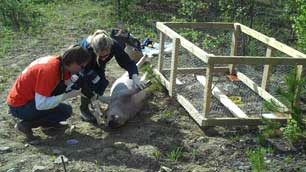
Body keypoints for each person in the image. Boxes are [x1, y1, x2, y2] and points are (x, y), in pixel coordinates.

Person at [7, 45, 91, 140]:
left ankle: (47, 125)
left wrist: (80, 87)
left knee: (66, 110)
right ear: (73, 62)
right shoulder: (50, 71)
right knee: (61, 110)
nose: (82, 69)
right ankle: (24, 125)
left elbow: (66, 84)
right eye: (82, 66)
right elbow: (41, 104)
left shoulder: (61, 65)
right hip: (20, 106)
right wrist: (67, 95)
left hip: (27, 100)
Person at [78, 29, 146, 123]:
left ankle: (94, 100)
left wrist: (135, 77)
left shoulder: (114, 45)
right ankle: (84, 109)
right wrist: (95, 94)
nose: (105, 58)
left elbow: (126, 61)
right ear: (94, 50)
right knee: (91, 83)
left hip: (98, 65)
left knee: (102, 83)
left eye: (106, 55)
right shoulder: (86, 50)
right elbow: (83, 76)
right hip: (84, 66)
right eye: (101, 56)